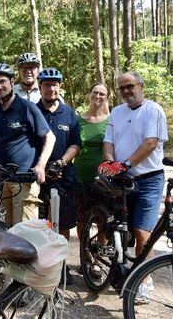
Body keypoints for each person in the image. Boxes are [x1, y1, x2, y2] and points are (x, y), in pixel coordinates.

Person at [98, 71, 168, 303]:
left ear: (141, 85)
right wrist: (110, 162)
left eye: (130, 86)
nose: (127, 91)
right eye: (122, 88)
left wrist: (125, 165)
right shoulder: (117, 112)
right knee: (115, 226)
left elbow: (151, 143)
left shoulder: (153, 110)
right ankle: (114, 268)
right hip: (121, 181)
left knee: (142, 232)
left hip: (148, 179)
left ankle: (144, 282)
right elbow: (108, 140)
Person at [0, 63, 55, 227]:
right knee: (4, 232)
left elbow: (50, 138)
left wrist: (41, 165)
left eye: (2, 82)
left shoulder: (27, 107)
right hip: (1, 181)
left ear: (12, 81)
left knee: (24, 233)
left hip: (24, 180)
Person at [35, 68, 81, 285]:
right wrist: (41, 167)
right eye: (46, 85)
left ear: (59, 87)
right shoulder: (32, 111)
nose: (51, 88)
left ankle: (62, 264)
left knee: (63, 223)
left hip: (64, 175)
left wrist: (61, 162)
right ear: (40, 87)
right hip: (39, 177)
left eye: (54, 84)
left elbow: (75, 144)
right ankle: (44, 264)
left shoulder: (69, 113)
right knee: (42, 223)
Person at [74, 83, 110, 238]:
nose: (98, 96)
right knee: (81, 219)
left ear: (106, 98)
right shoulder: (78, 120)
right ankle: (86, 253)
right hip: (80, 176)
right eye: (95, 92)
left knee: (103, 218)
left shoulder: (111, 120)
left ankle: (100, 252)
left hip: (103, 178)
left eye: (102, 94)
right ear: (89, 95)